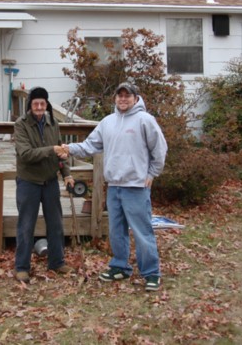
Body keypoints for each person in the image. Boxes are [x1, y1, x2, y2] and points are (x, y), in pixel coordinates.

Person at [61, 82, 167, 291]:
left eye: (128, 96)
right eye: (120, 96)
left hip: (136, 186)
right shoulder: (107, 122)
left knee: (141, 231)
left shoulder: (145, 120)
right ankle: (120, 266)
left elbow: (160, 149)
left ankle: (151, 273)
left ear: (136, 98)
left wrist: (152, 173)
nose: (123, 99)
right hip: (114, 186)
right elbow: (90, 145)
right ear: (115, 99)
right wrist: (69, 148)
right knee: (116, 230)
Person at [14, 86, 75, 283]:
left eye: (42, 103)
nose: (39, 107)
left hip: (50, 182)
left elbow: (61, 154)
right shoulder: (21, 125)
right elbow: (26, 154)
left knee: (56, 224)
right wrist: (52, 149)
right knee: (26, 225)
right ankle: (22, 267)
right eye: (35, 103)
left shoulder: (53, 123)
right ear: (30, 106)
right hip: (28, 182)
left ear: (46, 104)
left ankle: (57, 262)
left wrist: (67, 174)